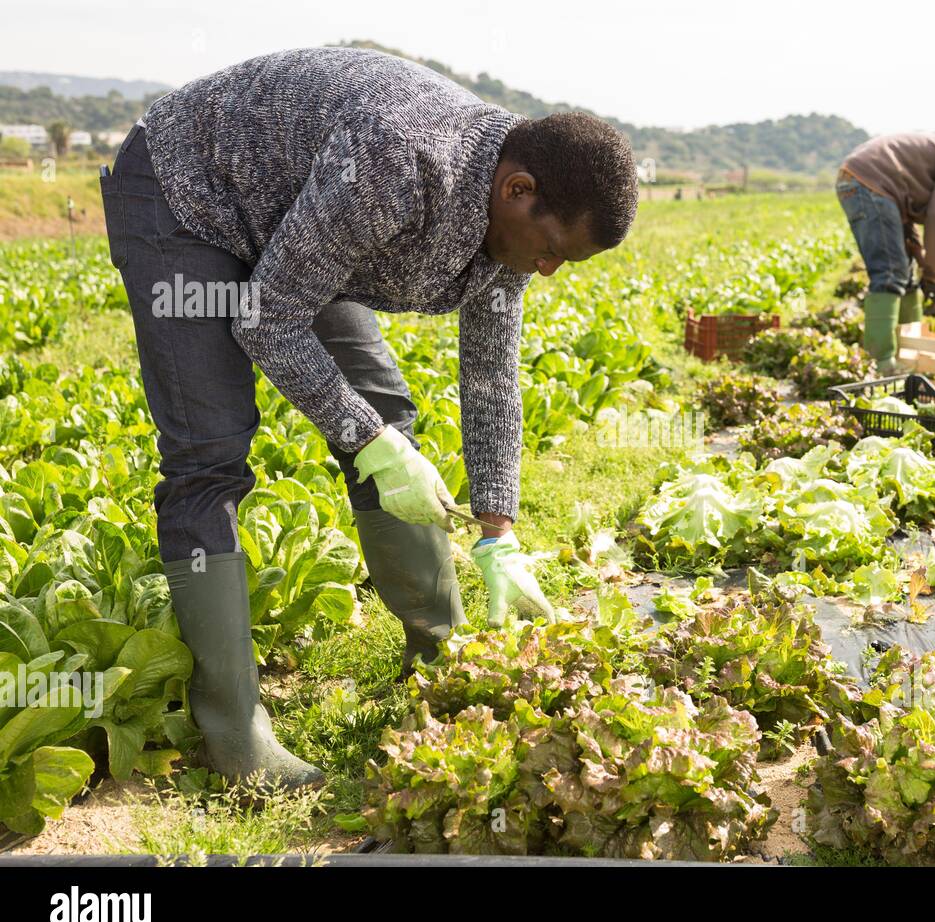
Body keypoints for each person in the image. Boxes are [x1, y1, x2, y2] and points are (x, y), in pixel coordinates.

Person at [99, 47, 640, 790]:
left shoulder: (501, 222)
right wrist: (368, 442)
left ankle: (440, 659)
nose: (546, 271)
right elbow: (268, 320)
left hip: (300, 211)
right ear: (517, 189)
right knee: (209, 450)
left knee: (382, 408)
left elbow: (489, 378)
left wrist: (498, 532)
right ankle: (235, 737)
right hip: (187, 194)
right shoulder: (400, 162)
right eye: (550, 252)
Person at [837, 128, 935, 370]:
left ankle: (909, 351)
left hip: (863, 182)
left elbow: (915, 211)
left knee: (905, 272)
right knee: (890, 273)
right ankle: (880, 362)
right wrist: (934, 275)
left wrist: (922, 261)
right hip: (870, 185)